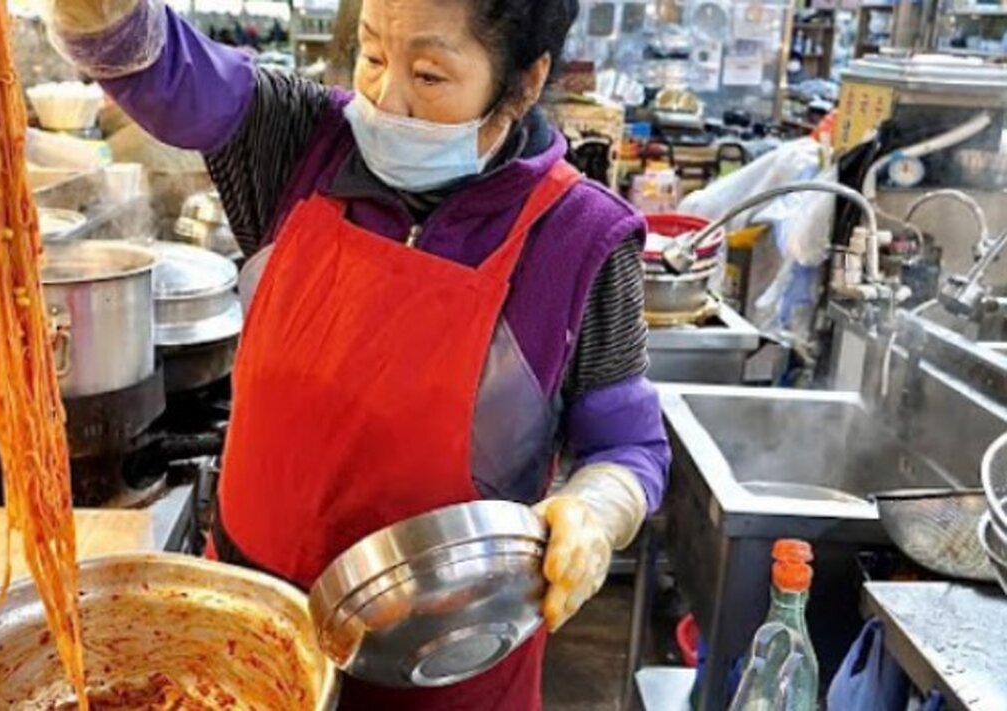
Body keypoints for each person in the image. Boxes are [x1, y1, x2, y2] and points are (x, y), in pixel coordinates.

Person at [45, 0, 669, 707]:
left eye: (430, 75)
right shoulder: (297, 143)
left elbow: (630, 448)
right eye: (372, 54)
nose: (384, 98)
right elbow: (161, 68)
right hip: (250, 642)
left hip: (447, 668)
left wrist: (593, 510)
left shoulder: (579, 240)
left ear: (524, 82)